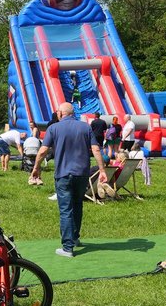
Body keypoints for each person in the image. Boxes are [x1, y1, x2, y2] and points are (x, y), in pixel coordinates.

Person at [31, 102, 108, 258]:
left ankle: (67, 248)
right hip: (82, 174)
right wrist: (102, 170)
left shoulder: (53, 128)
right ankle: (75, 238)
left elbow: (43, 150)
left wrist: (36, 168)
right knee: (78, 205)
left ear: (60, 113)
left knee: (66, 210)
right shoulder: (85, 127)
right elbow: (96, 149)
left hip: (64, 174)